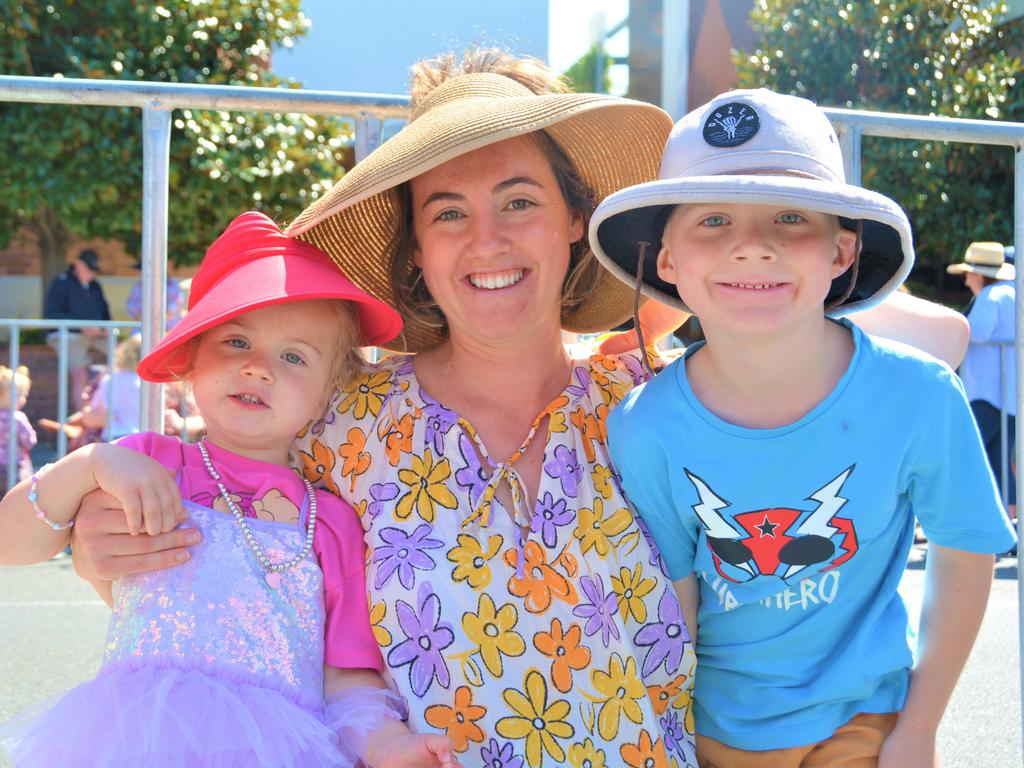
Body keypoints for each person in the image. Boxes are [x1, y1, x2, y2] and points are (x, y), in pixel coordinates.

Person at [67, 50, 973, 766]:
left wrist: (809, 255)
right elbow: (229, 544)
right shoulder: (335, 425)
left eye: (520, 200)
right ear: (415, 249)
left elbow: (932, 341)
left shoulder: (658, 400)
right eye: (448, 212)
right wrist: (110, 540)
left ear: (578, 219)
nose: (488, 238)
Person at [591, 88, 1017, 767]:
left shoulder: (922, 396)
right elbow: (676, 608)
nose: (753, 247)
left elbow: (965, 553)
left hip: (870, 722)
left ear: (843, 250)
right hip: (716, 734)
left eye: (791, 217)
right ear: (666, 261)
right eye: (712, 221)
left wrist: (923, 725)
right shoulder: (644, 428)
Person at [0, 212, 463, 768]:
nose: (257, 368)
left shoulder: (330, 522)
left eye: (293, 357)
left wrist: (387, 744)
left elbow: (345, 676)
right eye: (236, 341)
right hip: (135, 738)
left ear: (326, 395)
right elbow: (11, 544)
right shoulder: (144, 462)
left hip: (277, 748)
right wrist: (89, 463)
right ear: (192, 359)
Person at [948, 241, 1017, 520]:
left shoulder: (991, 296)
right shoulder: (1013, 292)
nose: (965, 281)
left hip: (987, 395)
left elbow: (977, 332)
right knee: (999, 461)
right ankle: (1011, 527)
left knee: (964, 455)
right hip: (1011, 397)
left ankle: (964, 523)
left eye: (967, 274)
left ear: (978, 274)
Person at [43, 248, 112, 411]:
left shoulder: (95, 286)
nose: (92, 273)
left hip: (95, 336)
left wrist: (104, 329)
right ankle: (83, 420)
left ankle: (113, 409)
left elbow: (105, 314)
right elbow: (52, 315)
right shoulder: (61, 282)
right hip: (68, 335)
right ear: (78, 264)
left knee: (122, 355)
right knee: (80, 373)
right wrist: (80, 326)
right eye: (89, 268)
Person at [82, 335, 144, 441]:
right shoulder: (146, 382)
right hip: (140, 437)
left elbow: (95, 407)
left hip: (113, 436)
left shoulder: (109, 379)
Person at [0, 365, 36, 497]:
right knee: (17, 495)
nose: (23, 399)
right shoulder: (17, 417)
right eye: (19, 395)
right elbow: (29, 440)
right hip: (15, 466)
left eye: (24, 395)